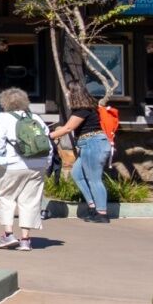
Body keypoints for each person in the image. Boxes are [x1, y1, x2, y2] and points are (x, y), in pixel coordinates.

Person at [0, 88, 50, 251]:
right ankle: (25, 239)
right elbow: (47, 142)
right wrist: (46, 164)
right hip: (37, 165)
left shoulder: (3, 118)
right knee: (30, 201)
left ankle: (8, 235)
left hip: (12, 164)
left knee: (6, 197)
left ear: (4, 102)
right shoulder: (36, 118)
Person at [49, 82, 110, 222]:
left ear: (75, 94)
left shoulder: (83, 109)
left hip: (93, 144)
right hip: (88, 145)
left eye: (69, 92)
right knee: (77, 174)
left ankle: (102, 213)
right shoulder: (86, 109)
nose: (67, 95)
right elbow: (67, 127)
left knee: (94, 179)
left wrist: (46, 136)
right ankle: (92, 206)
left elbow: (67, 129)